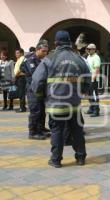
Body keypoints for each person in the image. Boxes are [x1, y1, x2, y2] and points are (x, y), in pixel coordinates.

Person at [31, 30, 91, 168]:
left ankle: (56, 160)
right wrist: (83, 90)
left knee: (57, 131)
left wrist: (40, 96)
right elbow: (87, 77)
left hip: (56, 103)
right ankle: (81, 158)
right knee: (77, 131)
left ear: (56, 42)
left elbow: (37, 81)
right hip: (74, 104)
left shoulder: (49, 58)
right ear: (69, 42)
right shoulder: (78, 58)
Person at [21, 41, 50, 140]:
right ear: (38, 50)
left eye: (46, 51)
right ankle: (32, 132)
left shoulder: (40, 59)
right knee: (35, 110)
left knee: (42, 110)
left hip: (40, 88)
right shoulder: (31, 59)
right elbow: (35, 74)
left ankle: (40, 129)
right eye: (43, 51)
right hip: (32, 89)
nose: (45, 53)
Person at [86, 43, 101, 117]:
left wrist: (93, 79)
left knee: (94, 95)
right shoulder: (89, 56)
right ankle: (91, 107)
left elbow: (97, 69)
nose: (87, 50)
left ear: (93, 50)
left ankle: (96, 110)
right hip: (88, 78)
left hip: (93, 79)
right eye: (87, 49)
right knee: (89, 95)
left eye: (89, 49)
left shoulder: (96, 57)